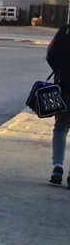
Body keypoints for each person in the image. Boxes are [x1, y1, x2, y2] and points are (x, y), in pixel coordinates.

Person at [44, 23, 70, 186]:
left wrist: (60, 72)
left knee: (61, 127)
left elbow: (50, 55)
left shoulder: (64, 31)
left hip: (65, 88)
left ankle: (58, 168)